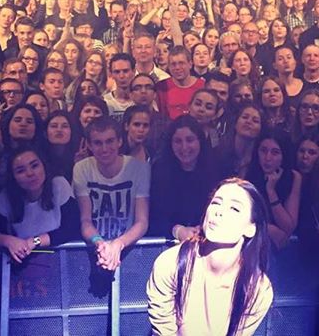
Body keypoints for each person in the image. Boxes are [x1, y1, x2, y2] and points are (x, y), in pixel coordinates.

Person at [146, 178, 273, 336]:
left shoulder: (258, 289)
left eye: (234, 208)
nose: (219, 211)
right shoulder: (170, 264)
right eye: (216, 202)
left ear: (251, 228)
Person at [74, 117, 150, 272]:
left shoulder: (139, 168)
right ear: (89, 145)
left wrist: (118, 244)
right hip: (95, 250)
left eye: (109, 141)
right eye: (98, 143)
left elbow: (142, 221)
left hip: (130, 249)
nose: (104, 148)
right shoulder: (81, 168)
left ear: (119, 141)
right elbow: (85, 220)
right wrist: (99, 243)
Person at [0, 147, 81, 263]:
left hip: (61, 260)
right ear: (13, 177)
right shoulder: (5, 197)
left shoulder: (59, 185)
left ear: (44, 166)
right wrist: (7, 241)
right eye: (21, 171)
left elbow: (72, 228)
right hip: (23, 264)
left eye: (35, 166)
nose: (30, 173)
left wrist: (35, 241)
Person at [149, 115, 225, 240]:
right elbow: (155, 217)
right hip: (170, 241)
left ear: (200, 141)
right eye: (178, 141)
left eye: (190, 140)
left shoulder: (217, 168)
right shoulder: (159, 170)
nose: (184, 147)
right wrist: (177, 231)